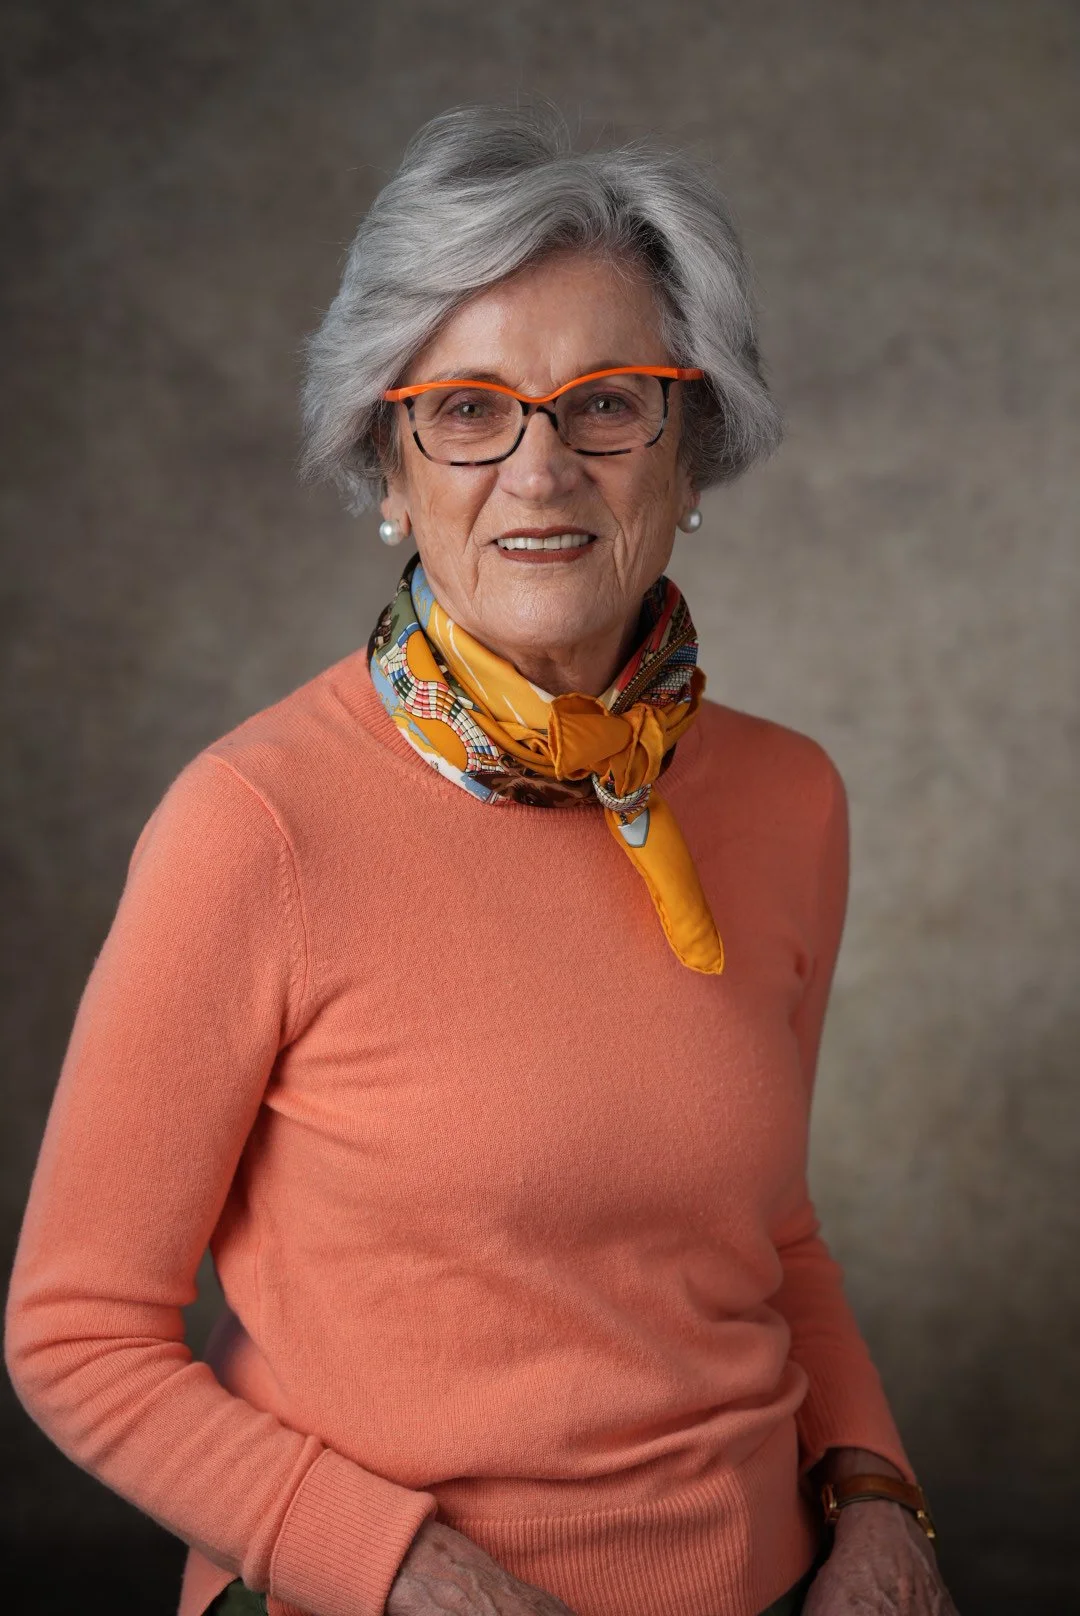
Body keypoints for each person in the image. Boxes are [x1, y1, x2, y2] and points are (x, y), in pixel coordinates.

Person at [4, 101, 960, 1616]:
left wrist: (877, 1498)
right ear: (388, 461)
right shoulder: (252, 824)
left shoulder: (790, 800)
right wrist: (398, 1569)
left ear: (690, 445)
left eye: (604, 404)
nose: (539, 469)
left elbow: (766, 1234)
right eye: (466, 408)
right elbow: (75, 1334)